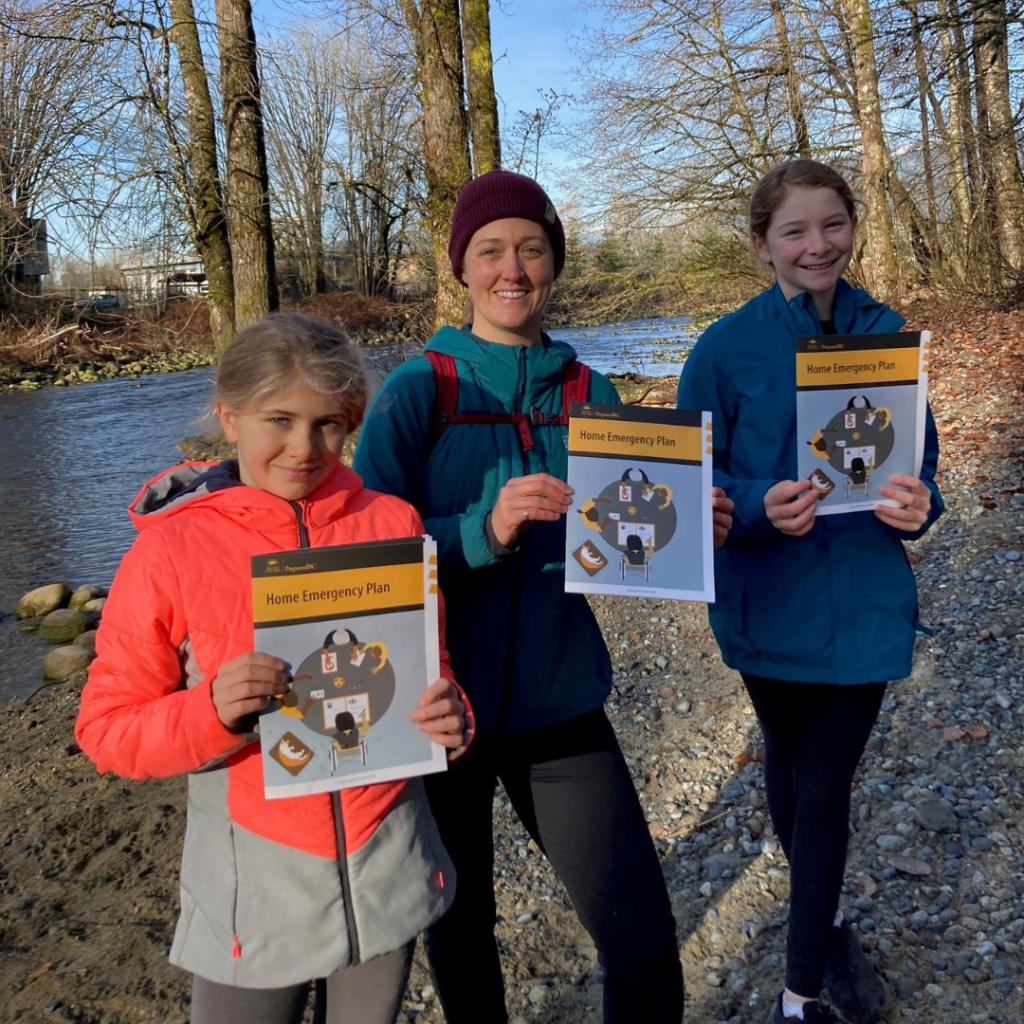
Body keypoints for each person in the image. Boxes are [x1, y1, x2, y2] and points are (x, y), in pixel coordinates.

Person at [353, 168, 734, 1024]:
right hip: (439, 708)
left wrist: (688, 528)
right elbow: (364, 554)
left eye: (530, 249)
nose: (511, 269)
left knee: (640, 938)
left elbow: (622, 544)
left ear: (553, 265)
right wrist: (480, 533)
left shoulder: (590, 393)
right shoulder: (422, 390)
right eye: (490, 251)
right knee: (460, 933)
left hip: (562, 703)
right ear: (462, 269)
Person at [75, 313, 472, 1024]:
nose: (304, 447)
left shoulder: (393, 523)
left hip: (388, 870)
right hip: (255, 891)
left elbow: (429, 668)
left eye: (328, 423)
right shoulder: (171, 552)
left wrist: (451, 714)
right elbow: (106, 729)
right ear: (228, 418)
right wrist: (210, 712)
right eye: (278, 419)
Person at [676, 159, 943, 1024]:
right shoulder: (721, 351)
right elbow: (690, 485)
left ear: (852, 227)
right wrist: (756, 505)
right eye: (794, 230)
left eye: (831, 224)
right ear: (762, 246)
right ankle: (821, 912)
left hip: (863, 602)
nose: (816, 244)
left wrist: (920, 504)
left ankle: (800, 995)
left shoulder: (889, 333)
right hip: (766, 601)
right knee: (788, 769)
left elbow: (920, 466)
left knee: (824, 785)